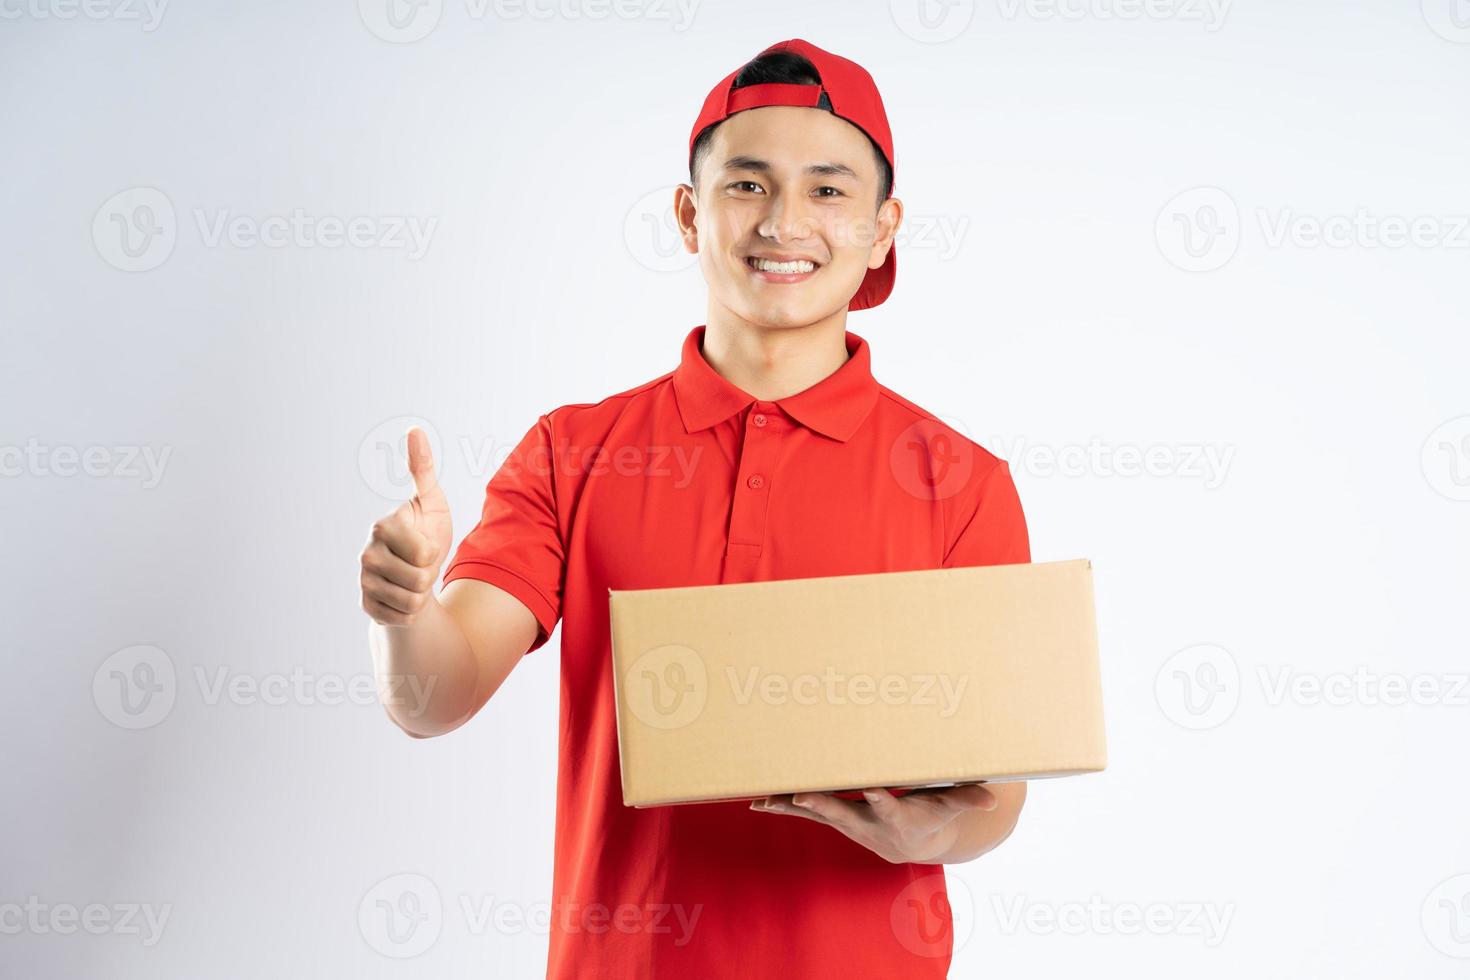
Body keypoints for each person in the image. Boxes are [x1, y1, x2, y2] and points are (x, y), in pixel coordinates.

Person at [359, 37, 1031, 979]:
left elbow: (995, 795)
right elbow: (435, 698)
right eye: (747, 185)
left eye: (828, 191)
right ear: (689, 213)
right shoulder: (573, 451)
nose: (784, 222)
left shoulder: (961, 482)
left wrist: (928, 834)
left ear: (884, 228)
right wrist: (404, 613)